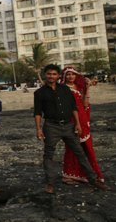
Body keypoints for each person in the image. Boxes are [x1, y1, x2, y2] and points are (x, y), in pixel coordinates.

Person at [34, 64, 108, 194]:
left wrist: (78, 124)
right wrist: (38, 129)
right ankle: (50, 184)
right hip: (51, 127)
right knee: (49, 155)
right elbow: (37, 113)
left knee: (79, 152)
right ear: (46, 75)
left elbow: (74, 108)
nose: (51, 76)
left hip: (68, 126)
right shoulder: (39, 93)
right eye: (49, 74)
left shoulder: (65, 89)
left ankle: (93, 179)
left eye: (54, 74)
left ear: (58, 76)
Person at [59, 66, 104, 185]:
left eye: (73, 74)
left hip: (83, 119)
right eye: (68, 74)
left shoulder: (78, 87)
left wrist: (87, 88)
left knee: (86, 147)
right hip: (72, 119)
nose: (70, 77)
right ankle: (69, 174)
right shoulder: (62, 88)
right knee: (73, 147)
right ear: (64, 76)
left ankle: (86, 174)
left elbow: (85, 104)